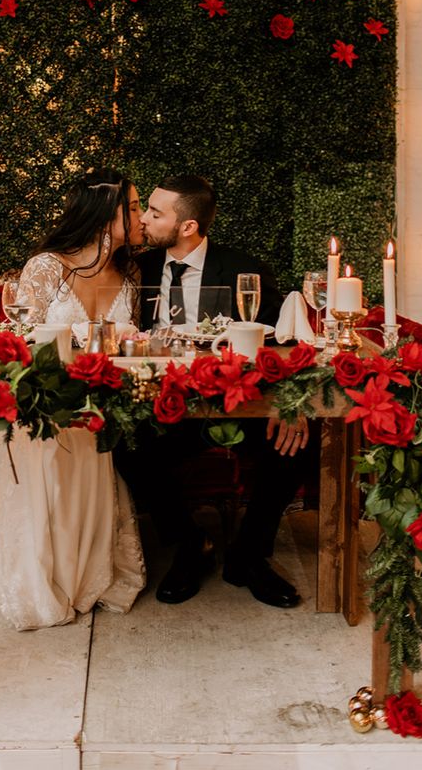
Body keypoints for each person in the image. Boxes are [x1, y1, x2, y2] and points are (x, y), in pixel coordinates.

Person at [0, 168, 146, 630]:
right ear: (104, 215)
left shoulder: (132, 272)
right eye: (132, 208)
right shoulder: (47, 266)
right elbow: (19, 341)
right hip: (43, 408)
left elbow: (128, 346)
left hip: (97, 411)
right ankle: (37, 575)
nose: (139, 217)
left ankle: (85, 573)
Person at [116, 174, 311, 609]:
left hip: (241, 408)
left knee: (298, 445)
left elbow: (288, 341)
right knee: (124, 445)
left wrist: (288, 402)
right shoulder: (136, 270)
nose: (144, 219)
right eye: (145, 209)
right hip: (166, 410)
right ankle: (189, 543)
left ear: (187, 226)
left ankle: (249, 555)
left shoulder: (246, 271)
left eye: (155, 212)